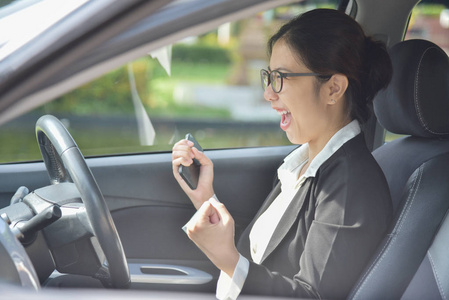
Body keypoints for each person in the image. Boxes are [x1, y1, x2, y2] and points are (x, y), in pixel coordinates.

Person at [172, 8, 393, 300]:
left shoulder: (352, 186)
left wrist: (226, 257)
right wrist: (205, 199)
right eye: (269, 76)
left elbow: (313, 295)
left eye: (282, 78)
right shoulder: (302, 166)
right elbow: (261, 260)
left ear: (333, 89)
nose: (268, 93)